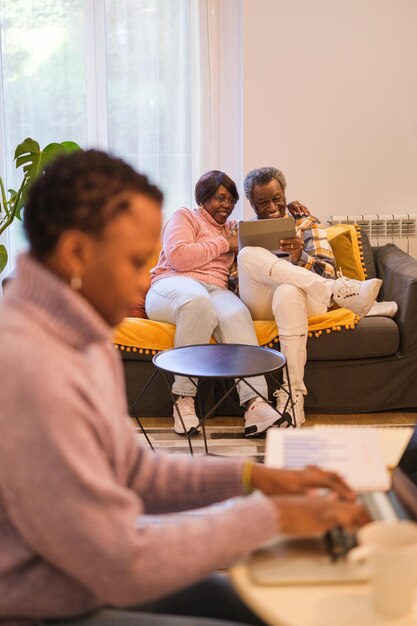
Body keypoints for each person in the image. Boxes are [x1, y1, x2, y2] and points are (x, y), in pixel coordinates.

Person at [0, 150, 369, 626]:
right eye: (137, 260)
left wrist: (254, 480)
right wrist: (268, 519)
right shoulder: (28, 365)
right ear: (75, 253)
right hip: (42, 606)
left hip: (90, 579)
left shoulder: (83, 338)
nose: (146, 279)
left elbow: (134, 475)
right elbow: (117, 559)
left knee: (266, 606)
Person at [146, 170, 291, 438]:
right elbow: (179, 257)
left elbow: (266, 228)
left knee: (237, 312)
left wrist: (294, 210)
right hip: (171, 285)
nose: (225, 205)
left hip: (215, 290)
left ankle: (255, 403)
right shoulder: (185, 216)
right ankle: (184, 401)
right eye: (219, 198)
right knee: (197, 302)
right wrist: (225, 244)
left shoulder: (234, 228)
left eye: (230, 200)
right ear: (203, 198)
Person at [238, 167, 382, 426]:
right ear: (251, 202)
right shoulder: (245, 231)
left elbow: (327, 270)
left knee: (288, 290)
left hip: (304, 302)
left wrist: (299, 258)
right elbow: (237, 281)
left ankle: (293, 397)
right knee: (246, 255)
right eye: (263, 202)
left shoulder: (306, 224)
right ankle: (339, 291)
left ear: (285, 194)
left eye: (276, 198)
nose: (271, 206)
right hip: (261, 303)